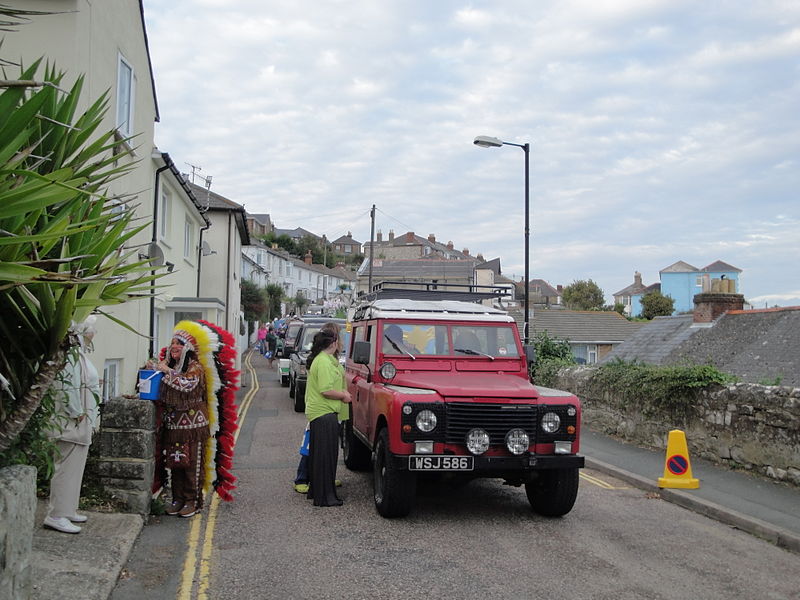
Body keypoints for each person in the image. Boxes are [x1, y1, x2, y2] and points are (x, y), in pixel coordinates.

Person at [43, 317, 101, 534]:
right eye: (92, 329)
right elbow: (66, 387)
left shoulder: (79, 353)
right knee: (66, 468)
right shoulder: (70, 354)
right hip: (72, 422)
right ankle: (56, 514)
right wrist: (77, 412)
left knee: (74, 467)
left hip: (80, 421)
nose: (94, 333)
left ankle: (67, 510)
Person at [152, 324, 211, 518]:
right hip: (173, 425)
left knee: (191, 463)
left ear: (187, 348)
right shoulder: (171, 366)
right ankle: (177, 499)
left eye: (179, 343)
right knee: (176, 462)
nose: (174, 346)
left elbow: (187, 385)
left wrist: (167, 372)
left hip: (193, 426)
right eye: (172, 343)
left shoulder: (195, 367)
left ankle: (192, 500)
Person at [304, 327, 351, 507]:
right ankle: (325, 497)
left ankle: (319, 492)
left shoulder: (327, 360)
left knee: (321, 455)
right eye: (339, 340)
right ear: (333, 343)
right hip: (324, 412)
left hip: (324, 412)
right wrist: (343, 395)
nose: (341, 343)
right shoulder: (323, 362)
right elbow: (326, 390)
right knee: (326, 457)